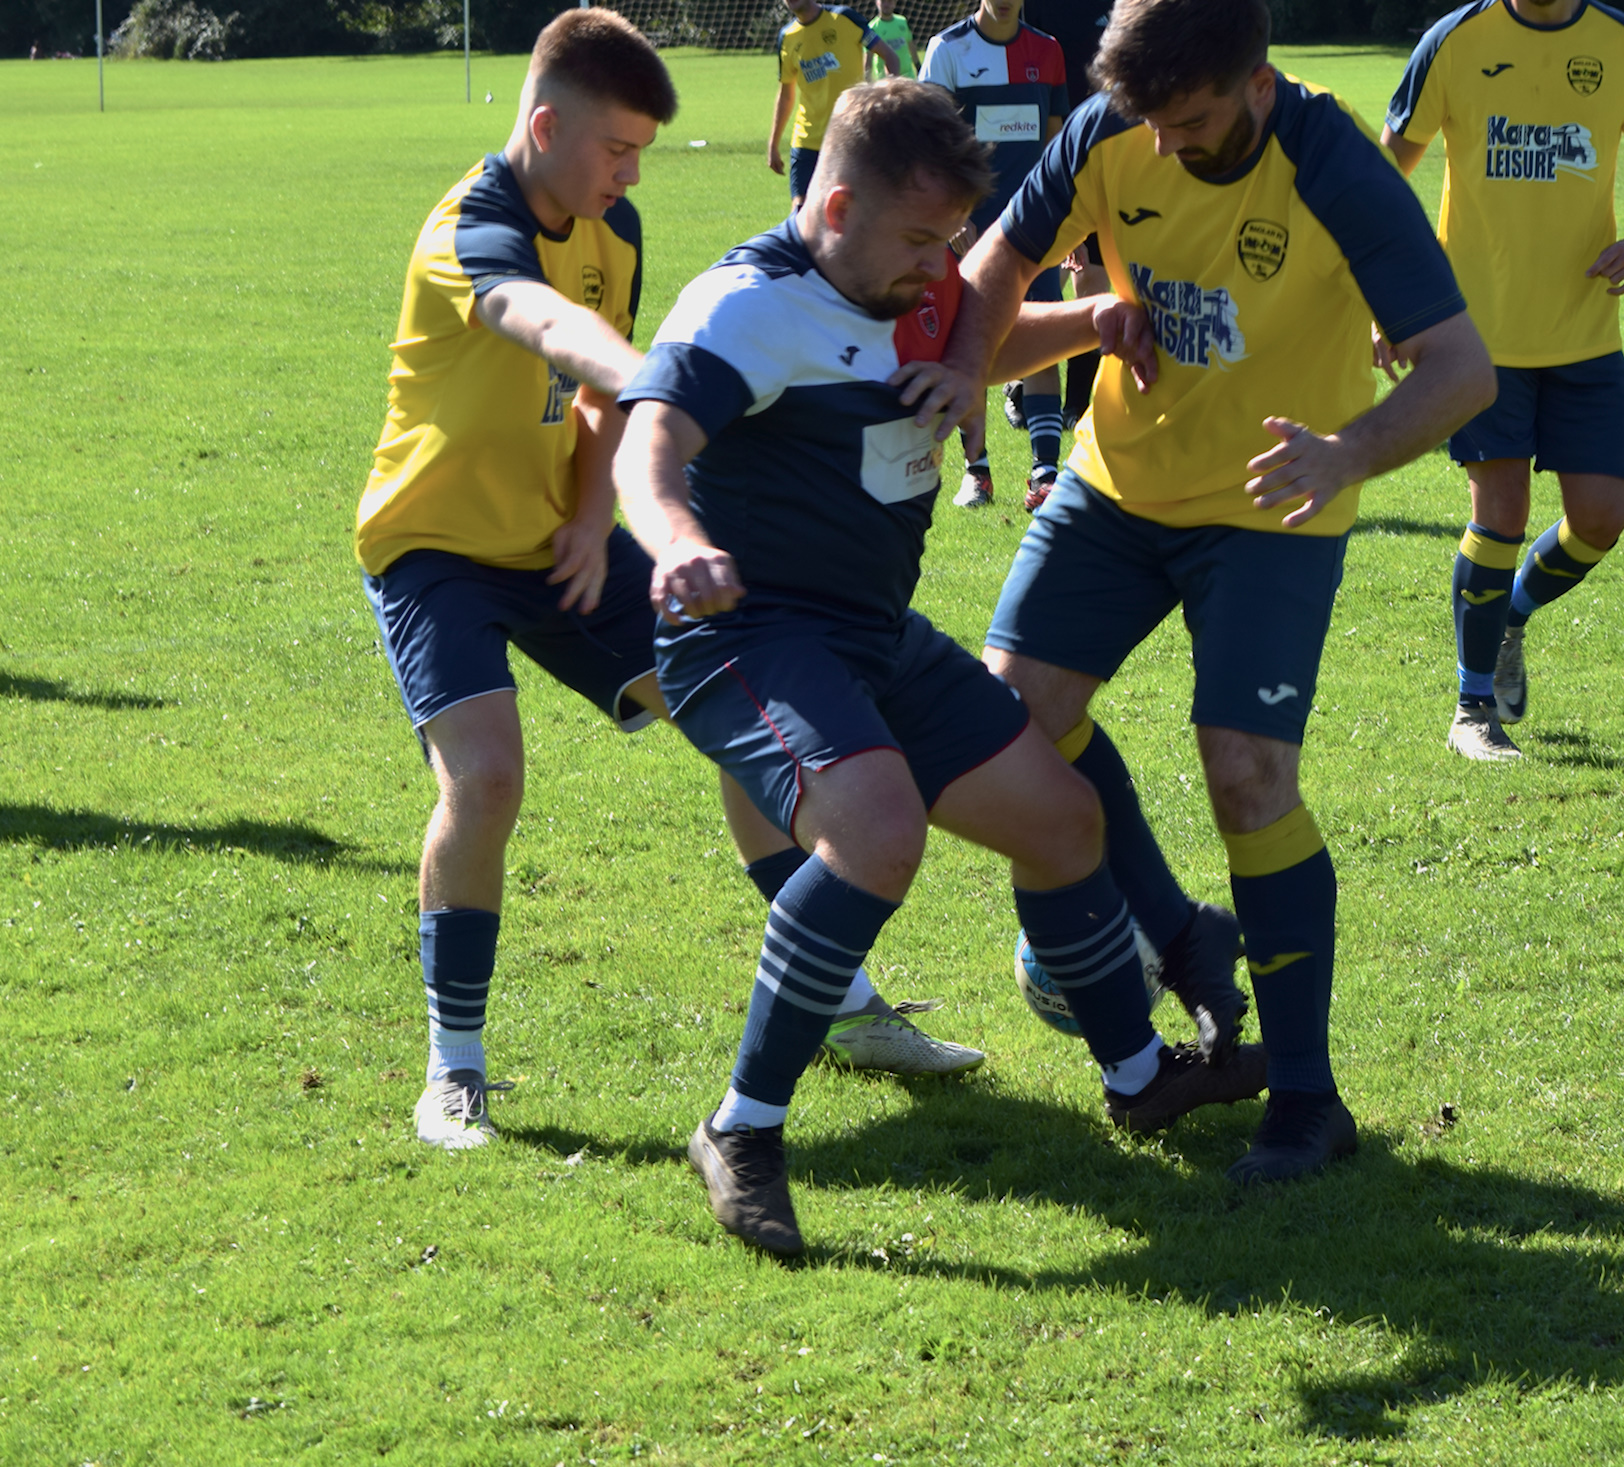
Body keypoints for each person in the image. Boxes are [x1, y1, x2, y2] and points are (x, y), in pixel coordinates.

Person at [613, 79, 1270, 1257]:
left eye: (953, 239)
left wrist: (1092, 322)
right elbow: (646, 438)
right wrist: (676, 539)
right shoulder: (747, 305)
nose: (941, 267)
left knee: (1063, 821)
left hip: (872, 632)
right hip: (748, 634)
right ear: (835, 206)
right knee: (876, 833)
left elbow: (977, 340)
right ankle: (741, 1130)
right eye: (922, 238)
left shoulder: (902, 280)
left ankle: (1139, 1078)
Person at [356, 12, 973, 1153]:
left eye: (642, 151)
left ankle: (842, 1004)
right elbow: (538, 320)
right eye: (618, 150)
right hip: (434, 548)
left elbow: (599, 408)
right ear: (548, 128)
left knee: (739, 698)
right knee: (486, 779)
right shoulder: (469, 230)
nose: (633, 175)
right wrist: (663, 376)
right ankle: (454, 1070)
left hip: (562, 540)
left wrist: (595, 517)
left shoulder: (615, 226)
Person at [937, 0, 1496, 1183]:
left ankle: (1304, 1099)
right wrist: (961, 376)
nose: (1165, 144)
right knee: (1011, 716)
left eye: (1188, 121)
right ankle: (1181, 933)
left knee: (1245, 775)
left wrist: (1347, 454)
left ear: (1256, 85)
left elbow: (1460, 369)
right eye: (1148, 119)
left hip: (1273, 502)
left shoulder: (1333, 162)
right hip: (1117, 486)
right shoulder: (1111, 127)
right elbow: (994, 263)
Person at [1381, 0, 1624, 761]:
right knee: (1501, 509)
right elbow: (1383, 174)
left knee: (1601, 519)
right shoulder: (1454, 41)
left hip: (1586, 333)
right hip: (1477, 338)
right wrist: (1394, 296)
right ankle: (1472, 708)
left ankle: (1510, 614)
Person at [919, 0, 1071, 511]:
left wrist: (1063, 216)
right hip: (970, 228)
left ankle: (1045, 474)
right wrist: (953, 214)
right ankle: (976, 471)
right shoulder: (947, 50)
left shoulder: (1047, 51)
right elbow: (930, 144)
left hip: (1034, 226)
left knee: (1044, 340)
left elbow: (1055, 145)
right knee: (969, 342)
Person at [1019, 0, 1115, 433]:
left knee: (1091, 279)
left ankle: (1077, 403)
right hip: (1051, 159)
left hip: (1109, 154)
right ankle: (1021, 379)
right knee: (1037, 280)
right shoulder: (1038, 6)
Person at [770, 0, 902, 208]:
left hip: (848, 136)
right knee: (800, 211)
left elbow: (890, 57)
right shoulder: (787, 37)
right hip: (807, 140)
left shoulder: (844, 18)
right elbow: (786, 94)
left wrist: (888, 103)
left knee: (847, 211)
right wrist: (773, 144)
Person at [867, 0, 915, 79]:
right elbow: (868, 58)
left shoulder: (902, 21)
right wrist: (868, 81)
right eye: (883, 1)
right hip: (885, 81)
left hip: (907, 78)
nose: (886, 4)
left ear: (894, 3)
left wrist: (918, 67)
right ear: (877, 3)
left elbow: (911, 46)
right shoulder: (872, 28)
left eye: (889, 1)